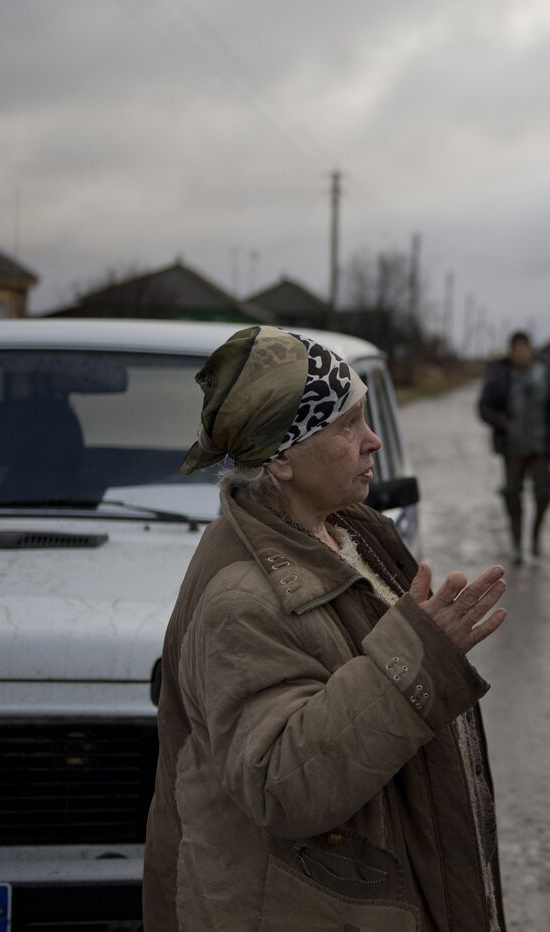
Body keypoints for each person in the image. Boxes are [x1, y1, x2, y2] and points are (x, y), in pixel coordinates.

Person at [143, 326, 508, 932]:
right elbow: (279, 783)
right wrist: (415, 662)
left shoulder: (346, 531)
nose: (373, 440)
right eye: (346, 426)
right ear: (281, 459)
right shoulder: (241, 598)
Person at [478, 330, 550, 564]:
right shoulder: (500, 376)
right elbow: (484, 408)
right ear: (511, 351)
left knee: (544, 493)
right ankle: (517, 546)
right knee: (513, 497)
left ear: (530, 349)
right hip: (513, 449)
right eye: (516, 350)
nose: (521, 354)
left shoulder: (544, 374)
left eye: (524, 349)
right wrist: (503, 423)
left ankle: (535, 537)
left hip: (540, 448)